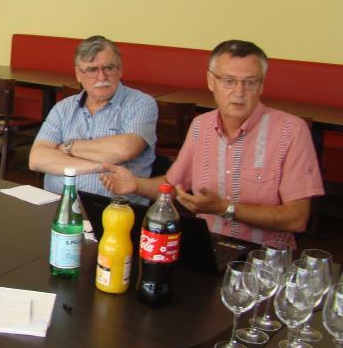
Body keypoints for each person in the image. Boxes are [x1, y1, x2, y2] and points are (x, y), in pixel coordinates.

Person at [101, 40, 324, 249]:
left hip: (263, 260)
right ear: (211, 81)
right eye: (228, 81)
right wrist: (136, 184)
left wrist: (225, 209)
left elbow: (297, 218)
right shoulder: (201, 126)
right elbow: (173, 185)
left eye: (250, 83)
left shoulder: (291, 131)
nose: (239, 92)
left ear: (262, 85)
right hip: (207, 249)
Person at [28, 36, 157, 204]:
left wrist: (68, 147)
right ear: (78, 74)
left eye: (109, 68)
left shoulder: (141, 104)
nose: (101, 77)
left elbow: (124, 150)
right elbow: (37, 159)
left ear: (120, 70)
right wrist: (98, 166)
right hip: (57, 206)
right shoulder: (63, 108)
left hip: (114, 212)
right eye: (92, 69)